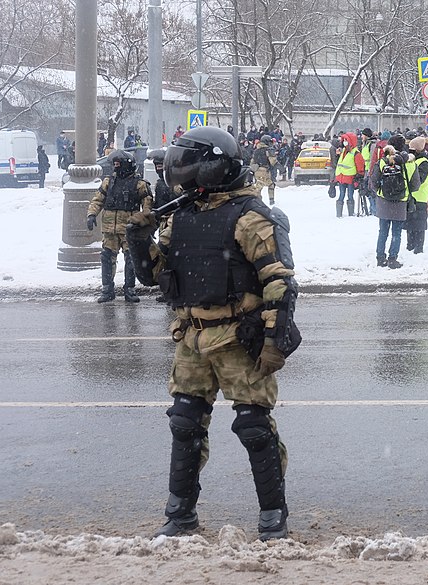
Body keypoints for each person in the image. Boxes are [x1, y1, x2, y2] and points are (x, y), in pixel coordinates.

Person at [124, 126, 300, 541]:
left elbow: (279, 283)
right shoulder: (182, 216)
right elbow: (153, 274)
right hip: (192, 336)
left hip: (239, 337)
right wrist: (138, 235)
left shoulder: (251, 216)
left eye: (187, 170)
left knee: (254, 427)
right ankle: (179, 514)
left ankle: (273, 517)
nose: (180, 179)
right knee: (185, 423)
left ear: (213, 168)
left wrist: (274, 342)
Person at [86, 150, 153, 303]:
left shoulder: (139, 184)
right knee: (107, 258)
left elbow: (148, 206)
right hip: (110, 229)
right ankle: (107, 290)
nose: (115, 168)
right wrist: (91, 215)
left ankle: (129, 289)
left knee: (131, 259)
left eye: (118, 165)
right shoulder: (108, 182)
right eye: (114, 165)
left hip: (129, 229)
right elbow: (98, 200)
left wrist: (146, 224)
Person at [368, 134, 420, 269]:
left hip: (384, 201)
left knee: (383, 231)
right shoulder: (409, 163)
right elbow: (415, 185)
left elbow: (373, 182)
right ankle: (392, 259)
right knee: (396, 233)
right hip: (400, 202)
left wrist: (381, 191)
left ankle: (380, 258)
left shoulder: (382, 161)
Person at [404, 136, 428, 254]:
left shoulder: (423, 162)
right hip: (412, 196)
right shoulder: (414, 161)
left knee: (419, 224)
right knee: (410, 223)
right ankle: (410, 245)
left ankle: (418, 247)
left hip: (420, 197)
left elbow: (419, 179)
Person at [333, 131, 365, 218]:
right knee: (342, 194)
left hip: (350, 178)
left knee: (349, 195)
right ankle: (340, 214)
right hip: (342, 177)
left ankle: (349, 213)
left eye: (346, 140)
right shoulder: (344, 151)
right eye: (344, 141)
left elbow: (360, 166)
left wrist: (359, 176)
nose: (344, 142)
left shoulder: (355, 153)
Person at [252, 135, 278, 204]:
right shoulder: (267, 150)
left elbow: (252, 162)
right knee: (260, 186)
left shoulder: (256, 151)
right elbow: (273, 162)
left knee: (266, 185)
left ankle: (261, 200)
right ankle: (257, 201)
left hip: (257, 170)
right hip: (264, 170)